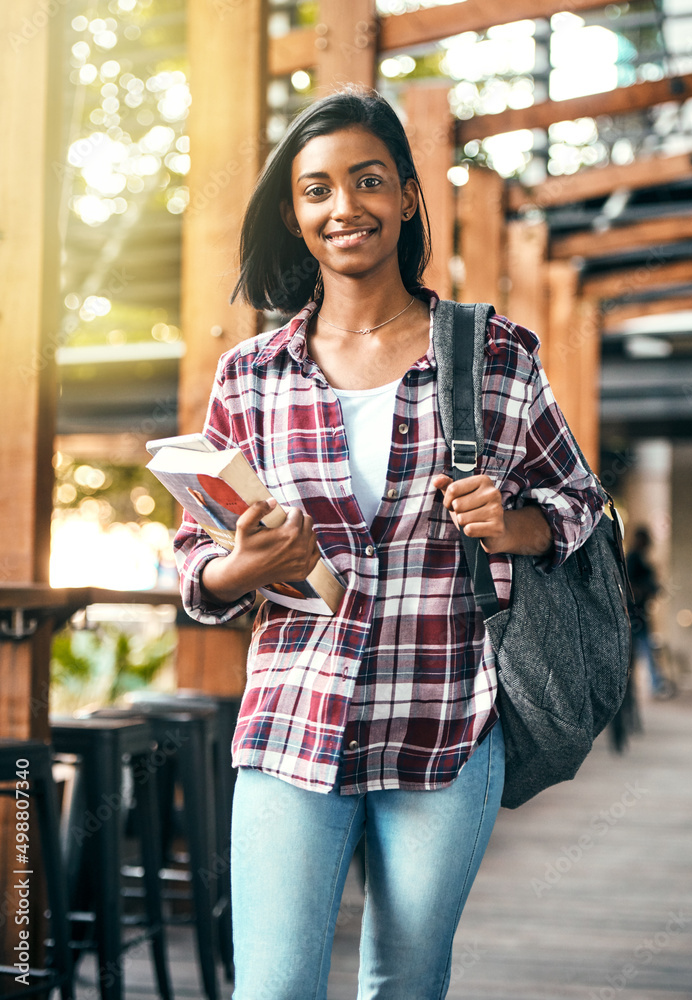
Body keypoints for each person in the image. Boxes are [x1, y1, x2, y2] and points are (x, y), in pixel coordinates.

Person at [173, 89, 605, 1000]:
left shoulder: (493, 357)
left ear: (407, 196)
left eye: (367, 182)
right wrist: (246, 566)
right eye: (317, 190)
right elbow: (192, 558)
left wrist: (514, 524)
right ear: (294, 215)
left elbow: (580, 504)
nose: (344, 208)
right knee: (273, 990)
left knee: (403, 984)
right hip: (294, 720)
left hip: (447, 723)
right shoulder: (250, 375)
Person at [626, 526, 667, 696]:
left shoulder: (639, 559)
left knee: (643, 650)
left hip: (639, 612)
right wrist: (644, 590)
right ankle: (651, 684)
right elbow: (630, 587)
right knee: (640, 651)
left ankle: (652, 684)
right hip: (634, 612)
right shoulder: (633, 559)